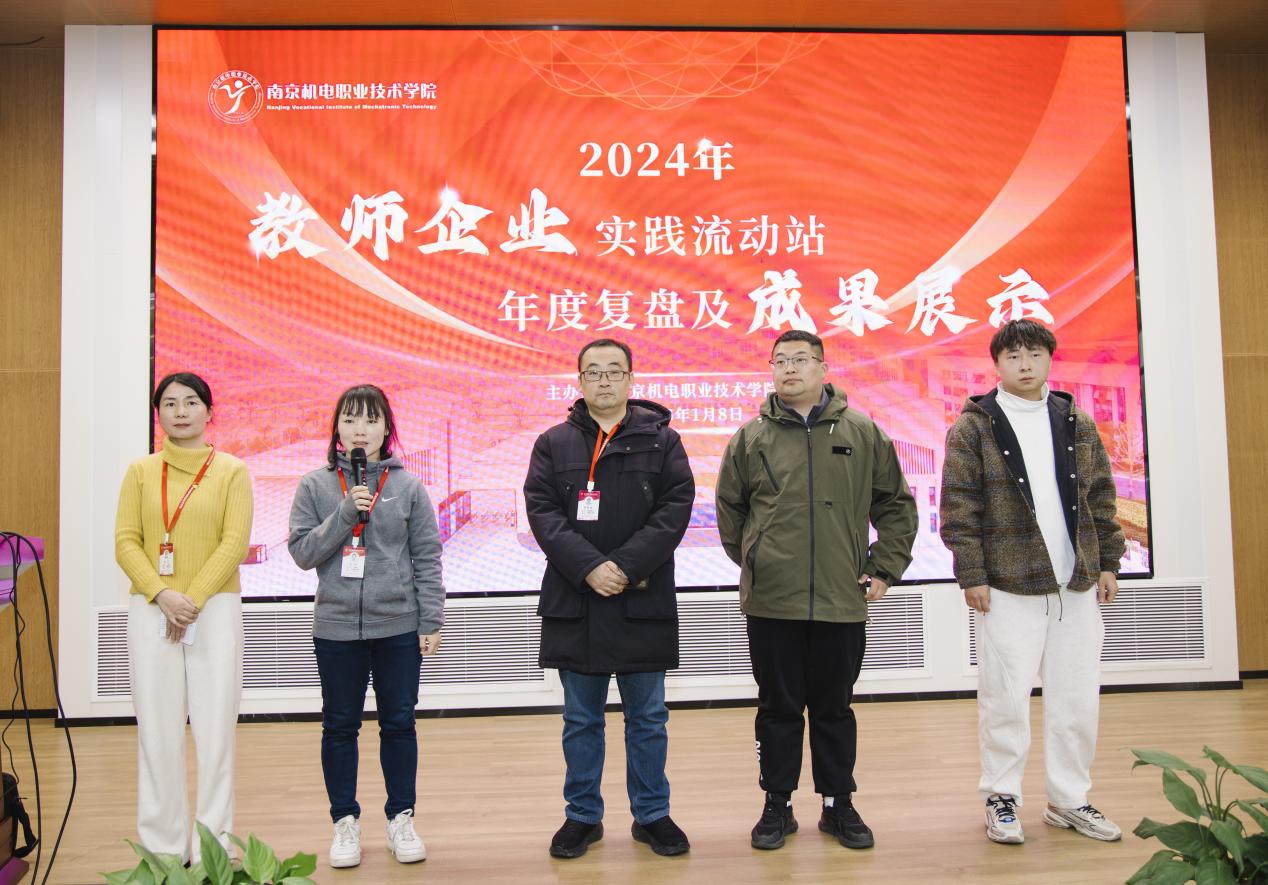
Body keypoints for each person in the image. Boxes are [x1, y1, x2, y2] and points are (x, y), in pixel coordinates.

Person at [716, 330, 917, 852]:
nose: (789, 368)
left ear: (823, 369)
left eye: (800, 360)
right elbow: (730, 512)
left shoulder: (861, 431)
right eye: (780, 360)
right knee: (777, 709)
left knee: (834, 709)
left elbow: (896, 506)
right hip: (772, 601)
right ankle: (777, 805)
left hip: (841, 598)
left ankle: (837, 804)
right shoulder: (750, 438)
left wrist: (883, 569)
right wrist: (757, 561)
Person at [939, 319, 1126, 845]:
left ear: (1049, 358)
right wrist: (972, 573)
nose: (1025, 365)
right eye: (1014, 356)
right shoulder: (973, 427)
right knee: (1005, 699)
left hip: (1076, 583)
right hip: (1007, 583)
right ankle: (1001, 797)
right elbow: (958, 506)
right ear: (997, 364)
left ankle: (1069, 799)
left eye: (1035, 354)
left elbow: (1101, 496)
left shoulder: (1076, 422)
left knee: (1077, 699)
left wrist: (1108, 561)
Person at [523, 338, 696, 859]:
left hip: (641, 597)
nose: (603, 380)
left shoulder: (663, 441)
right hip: (576, 599)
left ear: (630, 379)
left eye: (613, 371)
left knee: (648, 719)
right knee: (581, 720)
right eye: (593, 372)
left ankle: (652, 814)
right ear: (579, 382)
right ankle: (582, 816)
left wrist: (622, 566)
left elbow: (675, 508)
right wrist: (590, 567)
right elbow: (542, 512)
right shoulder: (553, 443)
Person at [288, 384, 445, 869]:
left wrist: (431, 618)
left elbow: (427, 557)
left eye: (371, 419)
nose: (361, 429)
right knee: (339, 726)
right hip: (336, 628)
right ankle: (344, 822)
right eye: (351, 419)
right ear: (337, 428)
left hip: (398, 626)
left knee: (399, 724)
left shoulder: (409, 487)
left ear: (387, 428)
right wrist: (344, 514)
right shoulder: (315, 486)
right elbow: (302, 553)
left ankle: (401, 818)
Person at [115, 372, 254, 863]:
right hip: (151, 608)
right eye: (170, 403)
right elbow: (126, 542)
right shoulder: (140, 472)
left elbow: (233, 543)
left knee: (216, 734)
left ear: (209, 412)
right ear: (159, 414)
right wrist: (163, 595)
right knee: (157, 732)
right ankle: (164, 848)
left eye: (191, 402)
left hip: (213, 608)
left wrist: (189, 601)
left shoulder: (232, 471)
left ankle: (213, 847)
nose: (180, 411)